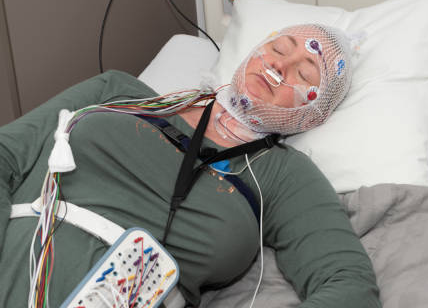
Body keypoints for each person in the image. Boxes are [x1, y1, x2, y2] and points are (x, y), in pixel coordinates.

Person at [0, 24, 381, 307]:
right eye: (279, 47)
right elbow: (5, 154)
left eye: (304, 74)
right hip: (17, 259)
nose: (281, 65)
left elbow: (349, 285)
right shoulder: (117, 92)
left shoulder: (284, 175)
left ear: (311, 117)